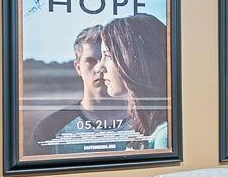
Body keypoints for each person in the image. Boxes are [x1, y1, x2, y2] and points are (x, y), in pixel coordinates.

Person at [30, 25, 118, 147]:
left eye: (108, 58)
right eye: (91, 61)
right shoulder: (49, 129)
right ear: (78, 67)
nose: (100, 67)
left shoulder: (145, 123)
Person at [97, 13, 172, 150]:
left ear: (133, 59)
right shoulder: (149, 124)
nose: (100, 67)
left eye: (107, 55)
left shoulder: (164, 136)